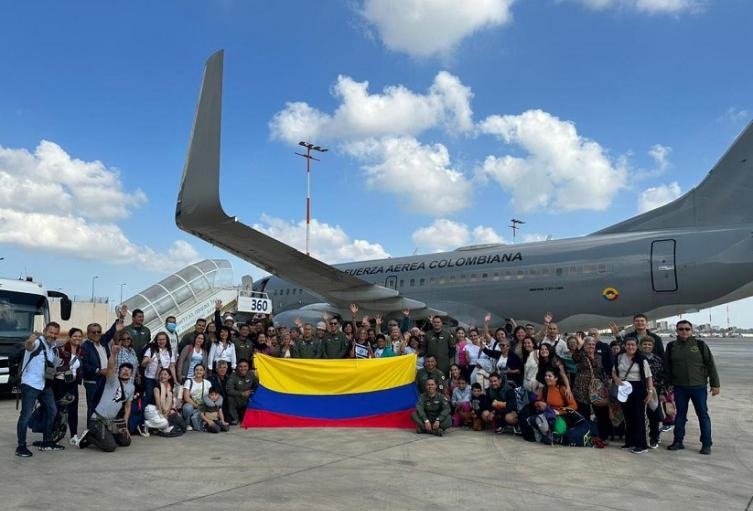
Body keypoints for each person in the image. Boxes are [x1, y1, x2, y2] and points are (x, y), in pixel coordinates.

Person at [665, 320, 720, 455]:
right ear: (677, 331)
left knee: (702, 415)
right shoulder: (672, 346)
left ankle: (706, 443)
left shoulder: (700, 345)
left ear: (692, 330)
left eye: (687, 329)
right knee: (680, 416)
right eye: (681, 329)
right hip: (680, 387)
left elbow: (710, 365)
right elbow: (668, 367)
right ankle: (678, 441)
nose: (684, 331)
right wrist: (668, 384)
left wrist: (715, 384)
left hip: (698, 387)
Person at [15, 323, 62, 457]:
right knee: (26, 415)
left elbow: (50, 367)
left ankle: (47, 442)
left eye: (55, 333)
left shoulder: (52, 347)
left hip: (44, 385)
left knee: (52, 410)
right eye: (50, 332)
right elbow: (29, 346)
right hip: (30, 384)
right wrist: (32, 338)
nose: (52, 335)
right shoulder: (37, 343)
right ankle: (21, 446)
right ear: (45, 331)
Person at [77, 343, 133, 452]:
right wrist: (113, 354)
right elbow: (111, 367)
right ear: (119, 372)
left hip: (111, 421)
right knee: (110, 447)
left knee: (126, 441)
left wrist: (125, 427)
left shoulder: (131, 387)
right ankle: (89, 436)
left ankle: (107, 435)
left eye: (128, 370)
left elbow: (127, 407)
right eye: (123, 369)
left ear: (131, 373)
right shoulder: (112, 381)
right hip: (98, 420)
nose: (126, 371)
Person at [612, 338, 654, 454]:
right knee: (627, 416)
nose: (630, 347)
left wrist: (650, 392)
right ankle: (630, 441)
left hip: (638, 388)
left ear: (637, 346)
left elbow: (649, 377)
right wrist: (616, 379)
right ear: (624, 346)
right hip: (624, 388)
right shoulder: (620, 357)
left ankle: (641, 444)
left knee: (638, 417)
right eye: (628, 345)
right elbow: (614, 371)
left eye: (633, 345)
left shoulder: (641, 359)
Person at [572, 335, 611, 441]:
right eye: (589, 344)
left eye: (593, 344)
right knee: (584, 413)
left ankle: (602, 435)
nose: (591, 346)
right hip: (582, 388)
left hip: (597, 388)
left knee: (601, 412)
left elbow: (602, 371)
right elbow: (575, 358)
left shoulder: (599, 357)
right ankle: (584, 435)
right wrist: (579, 347)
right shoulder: (581, 355)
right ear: (584, 345)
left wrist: (607, 385)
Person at [52, 327, 86, 445]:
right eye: (75, 336)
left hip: (73, 383)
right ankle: (54, 435)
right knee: (58, 410)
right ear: (69, 337)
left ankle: (74, 435)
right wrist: (66, 368)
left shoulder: (81, 352)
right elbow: (54, 369)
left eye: (80, 336)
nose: (78, 338)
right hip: (60, 383)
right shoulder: (60, 350)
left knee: (73, 410)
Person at [81, 322, 112, 421]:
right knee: (93, 407)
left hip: (104, 380)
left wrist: (120, 318)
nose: (96, 334)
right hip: (92, 381)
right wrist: (98, 371)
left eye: (99, 331)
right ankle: (90, 431)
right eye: (93, 332)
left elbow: (110, 333)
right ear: (88, 333)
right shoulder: (85, 346)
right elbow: (84, 364)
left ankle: (99, 430)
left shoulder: (102, 344)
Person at [640, 336, 666, 449]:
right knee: (640, 415)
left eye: (649, 345)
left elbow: (662, 377)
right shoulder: (637, 358)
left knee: (654, 415)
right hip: (639, 390)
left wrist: (662, 392)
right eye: (645, 344)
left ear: (653, 346)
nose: (647, 346)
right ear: (640, 345)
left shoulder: (657, 359)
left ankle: (654, 437)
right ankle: (640, 438)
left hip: (654, 391)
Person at [152, 367, 186, 433]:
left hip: (168, 411)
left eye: (165, 374)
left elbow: (172, 401)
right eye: (161, 374)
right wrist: (162, 414)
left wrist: (171, 410)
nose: (162, 376)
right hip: (158, 411)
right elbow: (158, 402)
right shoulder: (157, 385)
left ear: (169, 376)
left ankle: (172, 427)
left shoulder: (171, 387)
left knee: (178, 419)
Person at [226, 359, 257, 425]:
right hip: (238, 399)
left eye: (245, 366)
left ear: (248, 367)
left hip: (248, 399)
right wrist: (241, 393)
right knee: (230, 398)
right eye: (240, 366)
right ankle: (235, 418)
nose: (243, 368)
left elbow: (257, 387)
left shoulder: (251, 375)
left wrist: (252, 394)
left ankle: (250, 416)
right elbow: (229, 390)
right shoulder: (233, 376)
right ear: (237, 367)